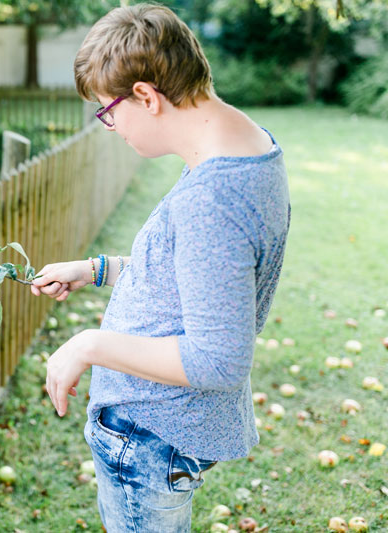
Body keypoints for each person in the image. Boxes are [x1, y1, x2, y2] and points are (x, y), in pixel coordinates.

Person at [29, 4, 290, 532]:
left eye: (108, 112)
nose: (109, 127)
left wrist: (88, 344)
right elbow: (192, 275)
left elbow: (219, 360)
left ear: (146, 96)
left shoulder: (211, 198)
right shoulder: (247, 144)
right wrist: (94, 269)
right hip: (160, 428)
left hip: (151, 433)